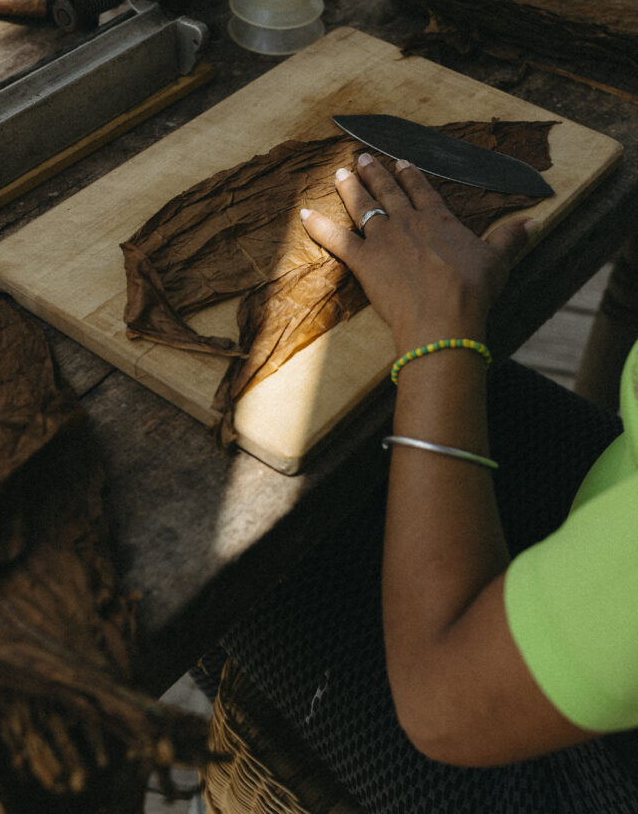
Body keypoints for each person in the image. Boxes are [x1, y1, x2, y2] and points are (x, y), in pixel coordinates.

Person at [212, 153, 638, 813]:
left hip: (583, 776)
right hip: (618, 507)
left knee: (216, 519)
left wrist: (439, 332)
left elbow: (443, 701)